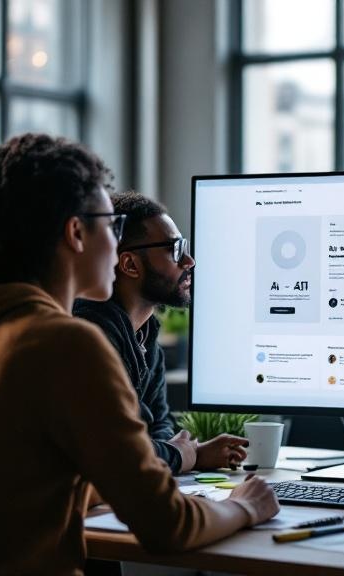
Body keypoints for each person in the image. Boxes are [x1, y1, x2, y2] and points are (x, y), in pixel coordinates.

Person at [0, 134, 278, 575]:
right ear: (76, 233)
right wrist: (245, 507)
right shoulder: (64, 343)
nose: (117, 248)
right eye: (112, 227)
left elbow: (16, 484)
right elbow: (167, 525)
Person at [74, 192, 246, 474]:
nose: (189, 260)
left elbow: (159, 428)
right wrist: (179, 455)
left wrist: (193, 454)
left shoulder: (145, 332)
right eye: (175, 249)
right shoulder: (92, 332)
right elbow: (118, 449)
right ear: (130, 265)